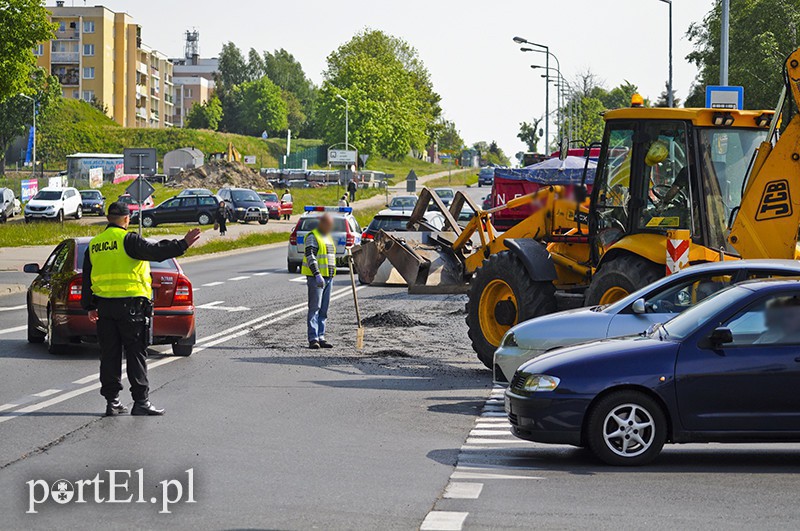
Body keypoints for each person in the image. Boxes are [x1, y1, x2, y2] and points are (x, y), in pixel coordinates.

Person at [81, 202, 201, 416]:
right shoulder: (129, 239)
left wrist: (89, 306)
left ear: (108, 218)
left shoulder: (95, 244)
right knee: (136, 353)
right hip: (130, 309)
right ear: (127, 219)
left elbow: (87, 277)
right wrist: (182, 244)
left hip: (105, 309)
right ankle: (141, 402)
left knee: (109, 355)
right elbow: (155, 252)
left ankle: (112, 401)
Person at [302, 213, 336, 349]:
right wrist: (316, 274)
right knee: (315, 308)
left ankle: (321, 336)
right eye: (329, 224)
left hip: (329, 277)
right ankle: (313, 338)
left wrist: (346, 260)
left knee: (324, 309)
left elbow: (329, 256)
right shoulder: (313, 236)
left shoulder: (327, 237)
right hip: (317, 278)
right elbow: (310, 255)